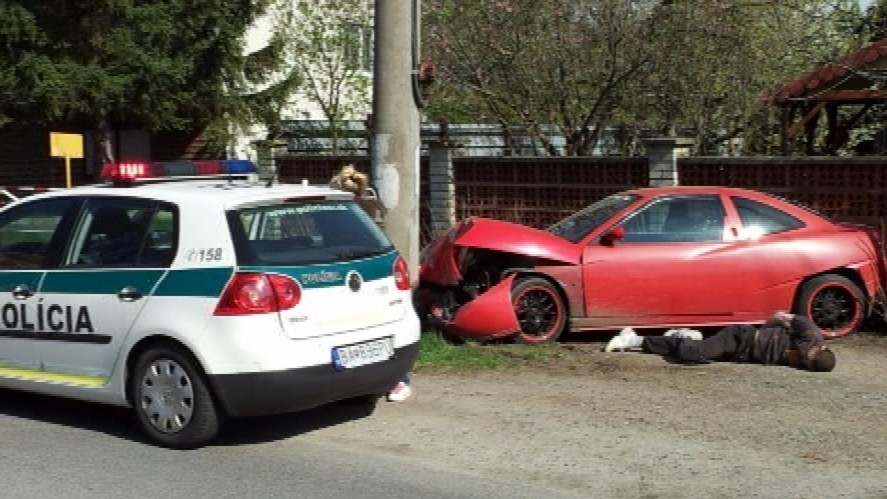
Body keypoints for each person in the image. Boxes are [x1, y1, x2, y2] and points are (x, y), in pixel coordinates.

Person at [329, 163, 412, 401]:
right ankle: (398, 380)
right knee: (383, 331)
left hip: (348, 277)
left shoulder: (339, 211)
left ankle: (393, 380)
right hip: (377, 275)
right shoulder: (372, 206)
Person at [604, 311, 836, 372]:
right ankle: (632, 339)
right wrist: (762, 332)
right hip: (741, 337)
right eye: (808, 355)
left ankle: (685, 336)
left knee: (693, 350)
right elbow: (780, 316)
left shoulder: (806, 362)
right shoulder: (811, 333)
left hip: (743, 355)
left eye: (806, 362)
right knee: (691, 354)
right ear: (820, 348)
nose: (803, 357)